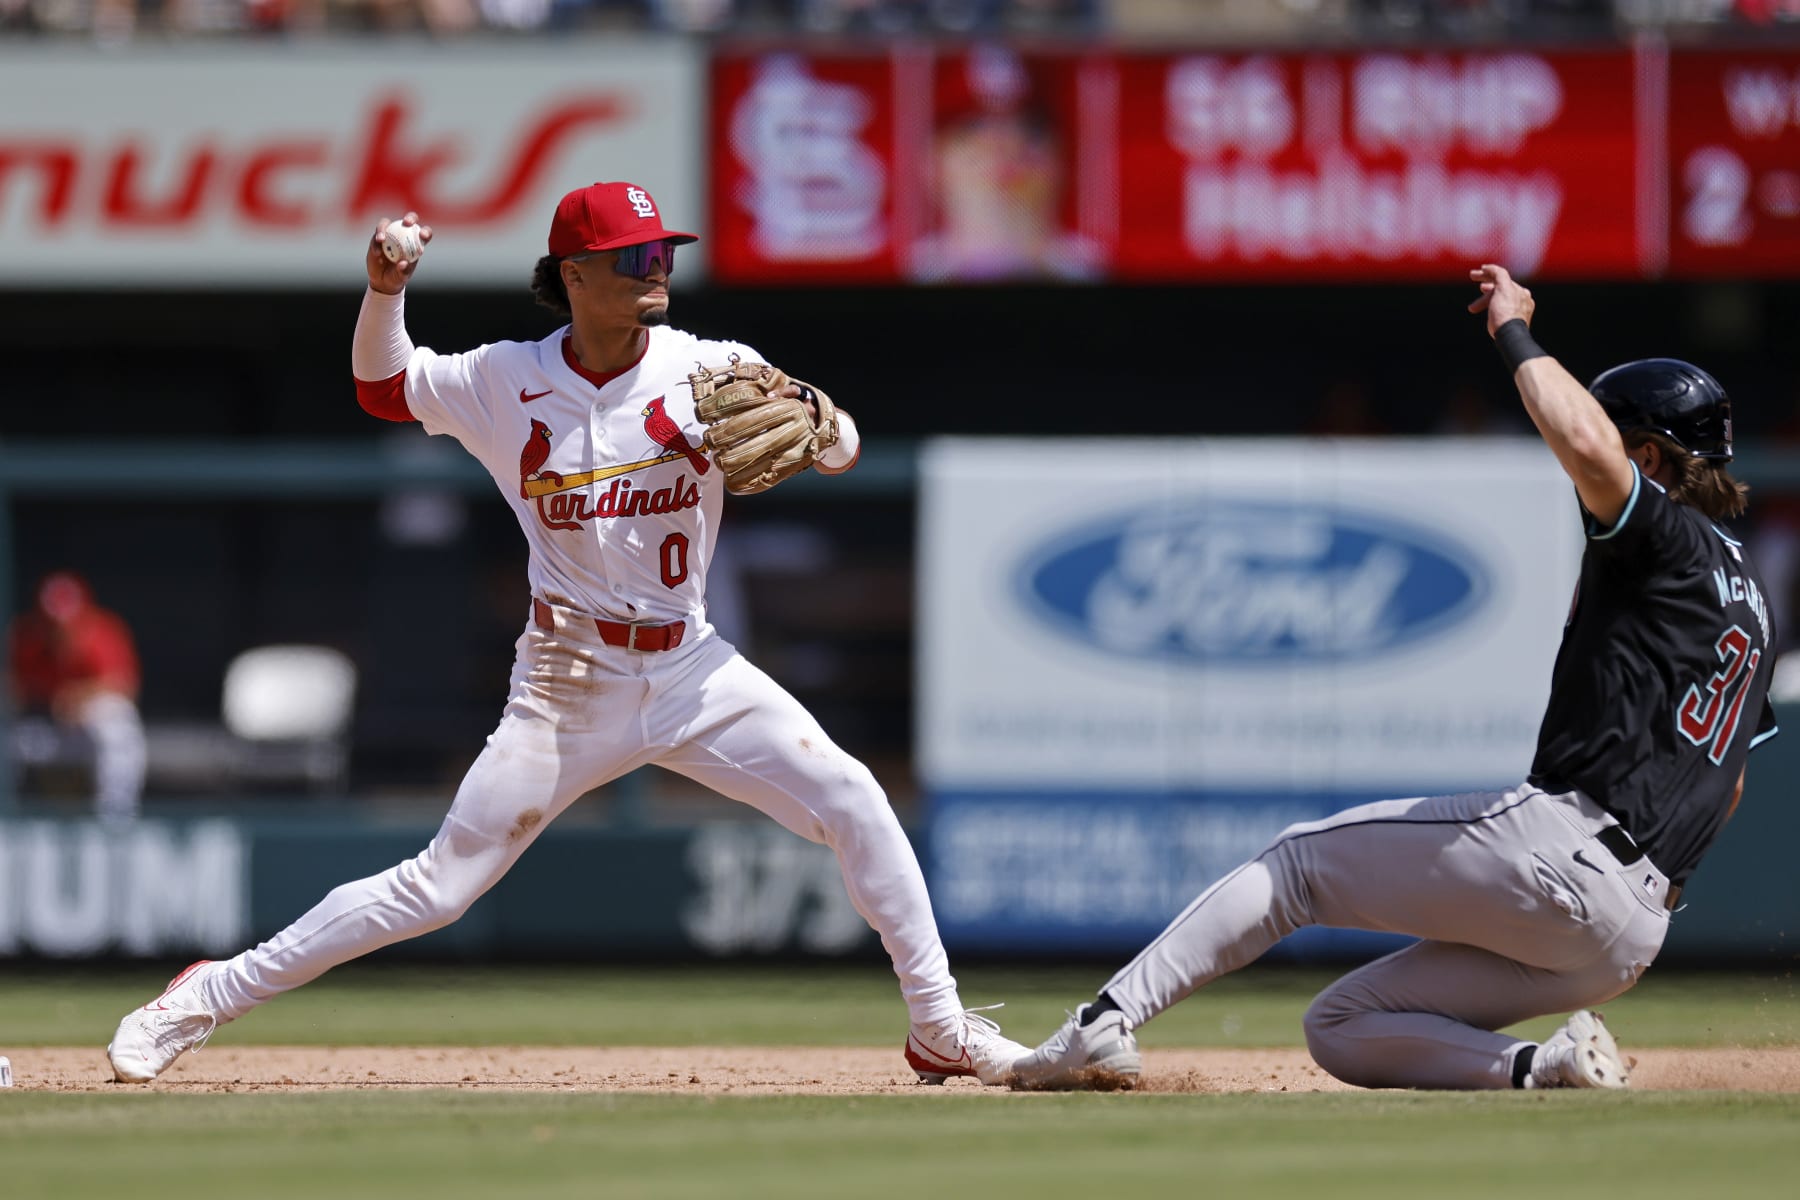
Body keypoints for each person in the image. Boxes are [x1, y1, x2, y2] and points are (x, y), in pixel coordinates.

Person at [106, 180, 1026, 1086]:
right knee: (438, 887)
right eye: (633, 257)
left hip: (693, 669)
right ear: (574, 274)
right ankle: (201, 997)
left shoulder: (707, 366)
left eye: (663, 252)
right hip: (567, 677)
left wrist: (823, 421)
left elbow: (845, 447)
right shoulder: (506, 378)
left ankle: (939, 1027)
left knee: (855, 798)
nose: (656, 268)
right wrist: (385, 289)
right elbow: (383, 388)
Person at [1009, 263, 1779, 1092]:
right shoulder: (1757, 607)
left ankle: (1101, 1024)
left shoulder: (1660, 535)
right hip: (1634, 931)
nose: (1588, 452)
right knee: (1342, 1024)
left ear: (1654, 456)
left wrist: (1513, 330)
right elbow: (1729, 786)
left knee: (1295, 868)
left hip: (1567, 849)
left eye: (1616, 434)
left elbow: (1589, 445)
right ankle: (1546, 1067)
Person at [8, 570, 147, 824]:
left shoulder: (103, 633)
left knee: (117, 725)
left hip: (85, 730)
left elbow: (125, 686)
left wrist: (79, 697)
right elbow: (11, 688)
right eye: (51, 624)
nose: (58, 631)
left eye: (65, 625)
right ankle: (6, 817)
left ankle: (115, 820)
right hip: (43, 730)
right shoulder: (26, 640)